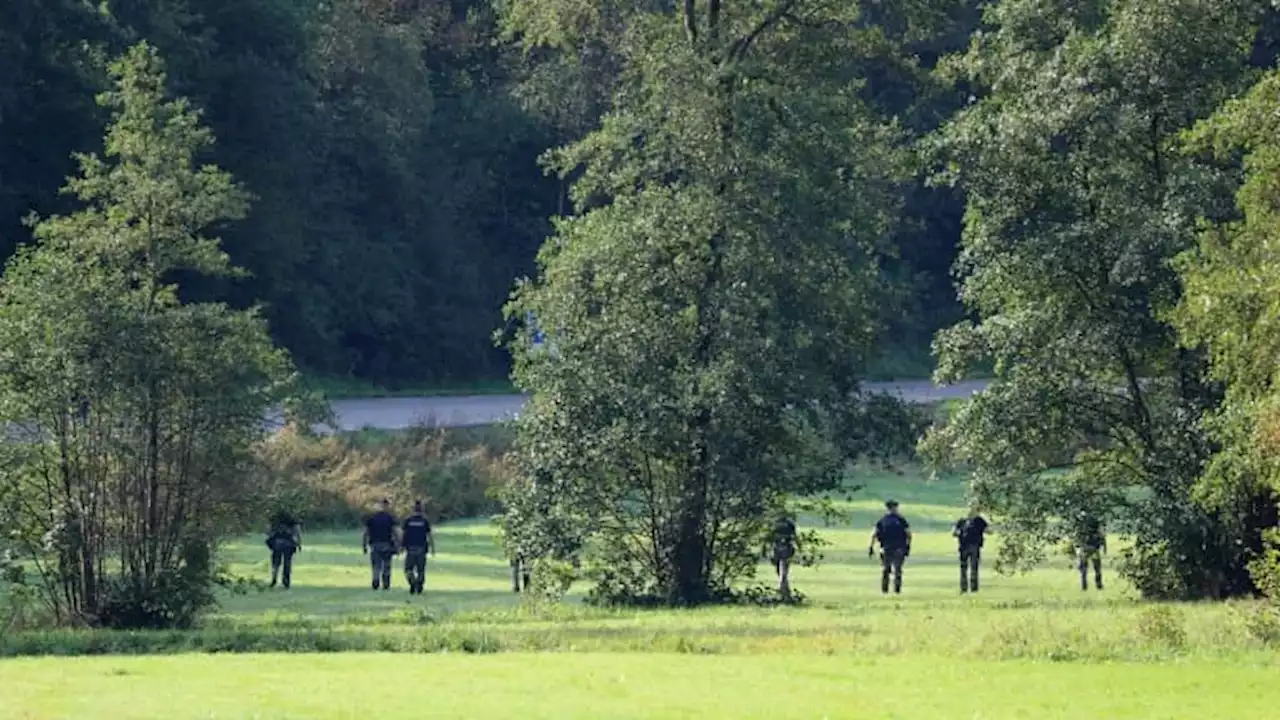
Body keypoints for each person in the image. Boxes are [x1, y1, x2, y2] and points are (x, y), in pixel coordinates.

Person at [869, 499, 912, 594]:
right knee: (897, 570)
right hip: (898, 548)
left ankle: (885, 590)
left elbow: (874, 534)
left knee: (886, 570)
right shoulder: (901, 520)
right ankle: (896, 590)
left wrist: (871, 547)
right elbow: (909, 534)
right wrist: (908, 546)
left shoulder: (882, 520)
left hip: (886, 548)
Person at [362, 498, 398, 591]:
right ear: (387, 506)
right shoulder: (389, 518)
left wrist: (364, 545)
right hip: (387, 544)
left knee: (376, 565)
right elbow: (395, 532)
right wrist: (398, 544)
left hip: (374, 545)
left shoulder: (372, 518)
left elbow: (366, 533)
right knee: (386, 564)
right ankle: (385, 582)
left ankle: (376, 579)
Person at [401, 500, 435, 595]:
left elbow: (403, 535)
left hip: (410, 549)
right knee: (421, 570)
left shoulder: (408, 520)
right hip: (421, 549)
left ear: (413, 509)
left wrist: (401, 546)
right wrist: (432, 548)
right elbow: (429, 536)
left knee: (408, 569)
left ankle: (412, 582)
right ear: (422, 510)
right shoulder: (425, 521)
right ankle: (419, 584)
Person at [953, 510, 989, 593]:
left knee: (974, 568)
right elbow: (954, 532)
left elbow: (989, 531)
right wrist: (958, 532)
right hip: (963, 546)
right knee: (964, 569)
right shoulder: (961, 521)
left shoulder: (980, 520)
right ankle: (964, 588)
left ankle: (973, 588)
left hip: (975, 546)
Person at [265, 511, 302, 589]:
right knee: (287, 563)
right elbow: (297, 530)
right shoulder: (292, 516)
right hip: (288, 542)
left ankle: (274, 580)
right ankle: (286, 581)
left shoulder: (274, 516)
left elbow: (268, 529)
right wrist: (299, 543)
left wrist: (271, 537)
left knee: (275, 563)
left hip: (277, 542)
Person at [769, 513, 801, 600]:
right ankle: (785, 590)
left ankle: (782, 589)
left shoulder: (775, 523)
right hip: (785, 549)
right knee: (782, 571)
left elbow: (770, 538)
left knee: (782, 571)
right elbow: (795, 537)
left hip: (781, 549)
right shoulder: (788, 524)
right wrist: (799, 547)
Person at [1075, 513, 1106, 591]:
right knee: (1097, 568)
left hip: (1085, 548)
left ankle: (1084, 586)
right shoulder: (1096, 524)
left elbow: (1078, 538)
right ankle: (1098, 585)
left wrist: (1078, 546)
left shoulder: (1081, 525)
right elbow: (1102, 536)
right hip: (1094, 548)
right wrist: (1104, 546)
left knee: (1084, 569)